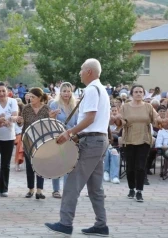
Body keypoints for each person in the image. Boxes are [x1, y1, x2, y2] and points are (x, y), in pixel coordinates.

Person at [45, 58, 110, 237]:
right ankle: (101, 225)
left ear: (89, 71)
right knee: (95, 187)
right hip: (99, 140)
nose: (80, 73)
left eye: (82, 70)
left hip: (91, 142)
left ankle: (65, 223)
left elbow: (89, 118)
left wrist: (69, 133)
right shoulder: (101, 89)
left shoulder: (91, 90)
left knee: (72, 183)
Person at [114, 85, 164, 202]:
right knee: (130, 167)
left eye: (140, 92)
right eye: (136, 92)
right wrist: (117, 119)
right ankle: (131, 188)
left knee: (140, 166)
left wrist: (160, 120)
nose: (138, 94)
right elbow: (120, 121)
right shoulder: (125, 107)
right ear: (132, 94)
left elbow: (156, 119)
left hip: (144, 139)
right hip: (129, 139)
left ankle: (139, 191)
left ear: (143, 94)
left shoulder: (148, 106)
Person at [21, 87, 60, 199]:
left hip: (42, 140)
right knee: (29, 165)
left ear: (39, 98)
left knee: (40, 164)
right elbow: (22, 123)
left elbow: (50, 124)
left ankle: (39, 190)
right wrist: (18, 121)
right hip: (28, 139)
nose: (30, 98)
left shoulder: (46, 109)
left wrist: (52, 117)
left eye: (33, 97)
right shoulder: (26, 108)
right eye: (29, 96)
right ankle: (30, 189)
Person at [49, 82, 78, 199]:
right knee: (57, 163)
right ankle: (56, 190)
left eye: (68, 91)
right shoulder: (54, 104)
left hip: (71, 137)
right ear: (60, 92)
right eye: (64, 91)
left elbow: (77, 123)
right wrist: (52, 116)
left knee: (69, 164)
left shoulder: (75, 106)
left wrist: (74, 134)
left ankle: (67, 188)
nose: (66, 93)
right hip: (58, 137)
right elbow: (50, 121)